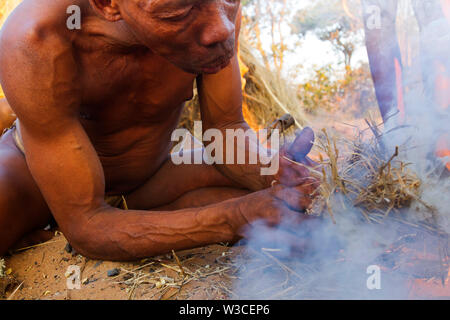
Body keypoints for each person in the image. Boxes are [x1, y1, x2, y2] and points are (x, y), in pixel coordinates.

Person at [0, 0, 318, 260]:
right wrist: (234, 217)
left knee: (294, 194)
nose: (223, 28)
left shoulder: (213, 16)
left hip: (151, 176)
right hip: (33, 180)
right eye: (178, 12)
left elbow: (225, 130)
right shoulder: (37, 39)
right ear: (108, 4)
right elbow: (86, 225)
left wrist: (272, 171)